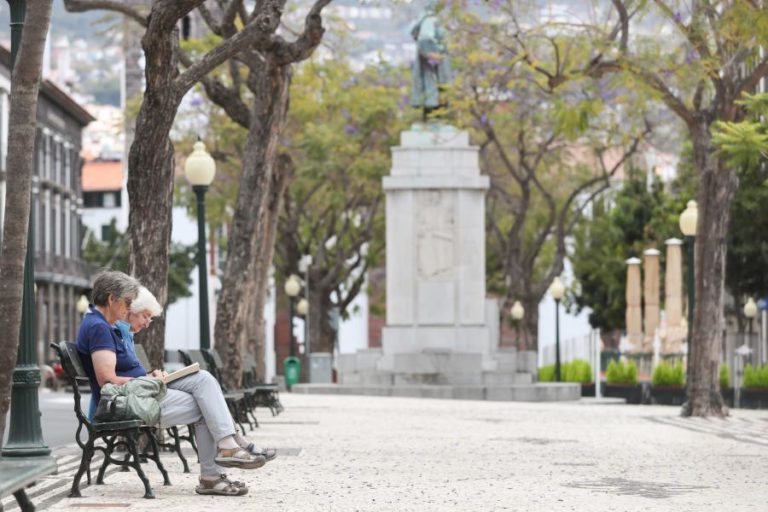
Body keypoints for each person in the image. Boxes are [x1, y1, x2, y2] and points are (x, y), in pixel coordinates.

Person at [76, 270, 268, 496]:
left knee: (203, 379)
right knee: (205, 406)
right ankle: (214, 471)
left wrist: (151, 377)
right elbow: (108, 380)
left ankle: (225, 450)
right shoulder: (98, 327)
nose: (129, 308)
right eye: (127, 302)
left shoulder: (105, 326)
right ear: (111, 299)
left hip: (141, 393)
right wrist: (147, 379)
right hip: (127, 403)